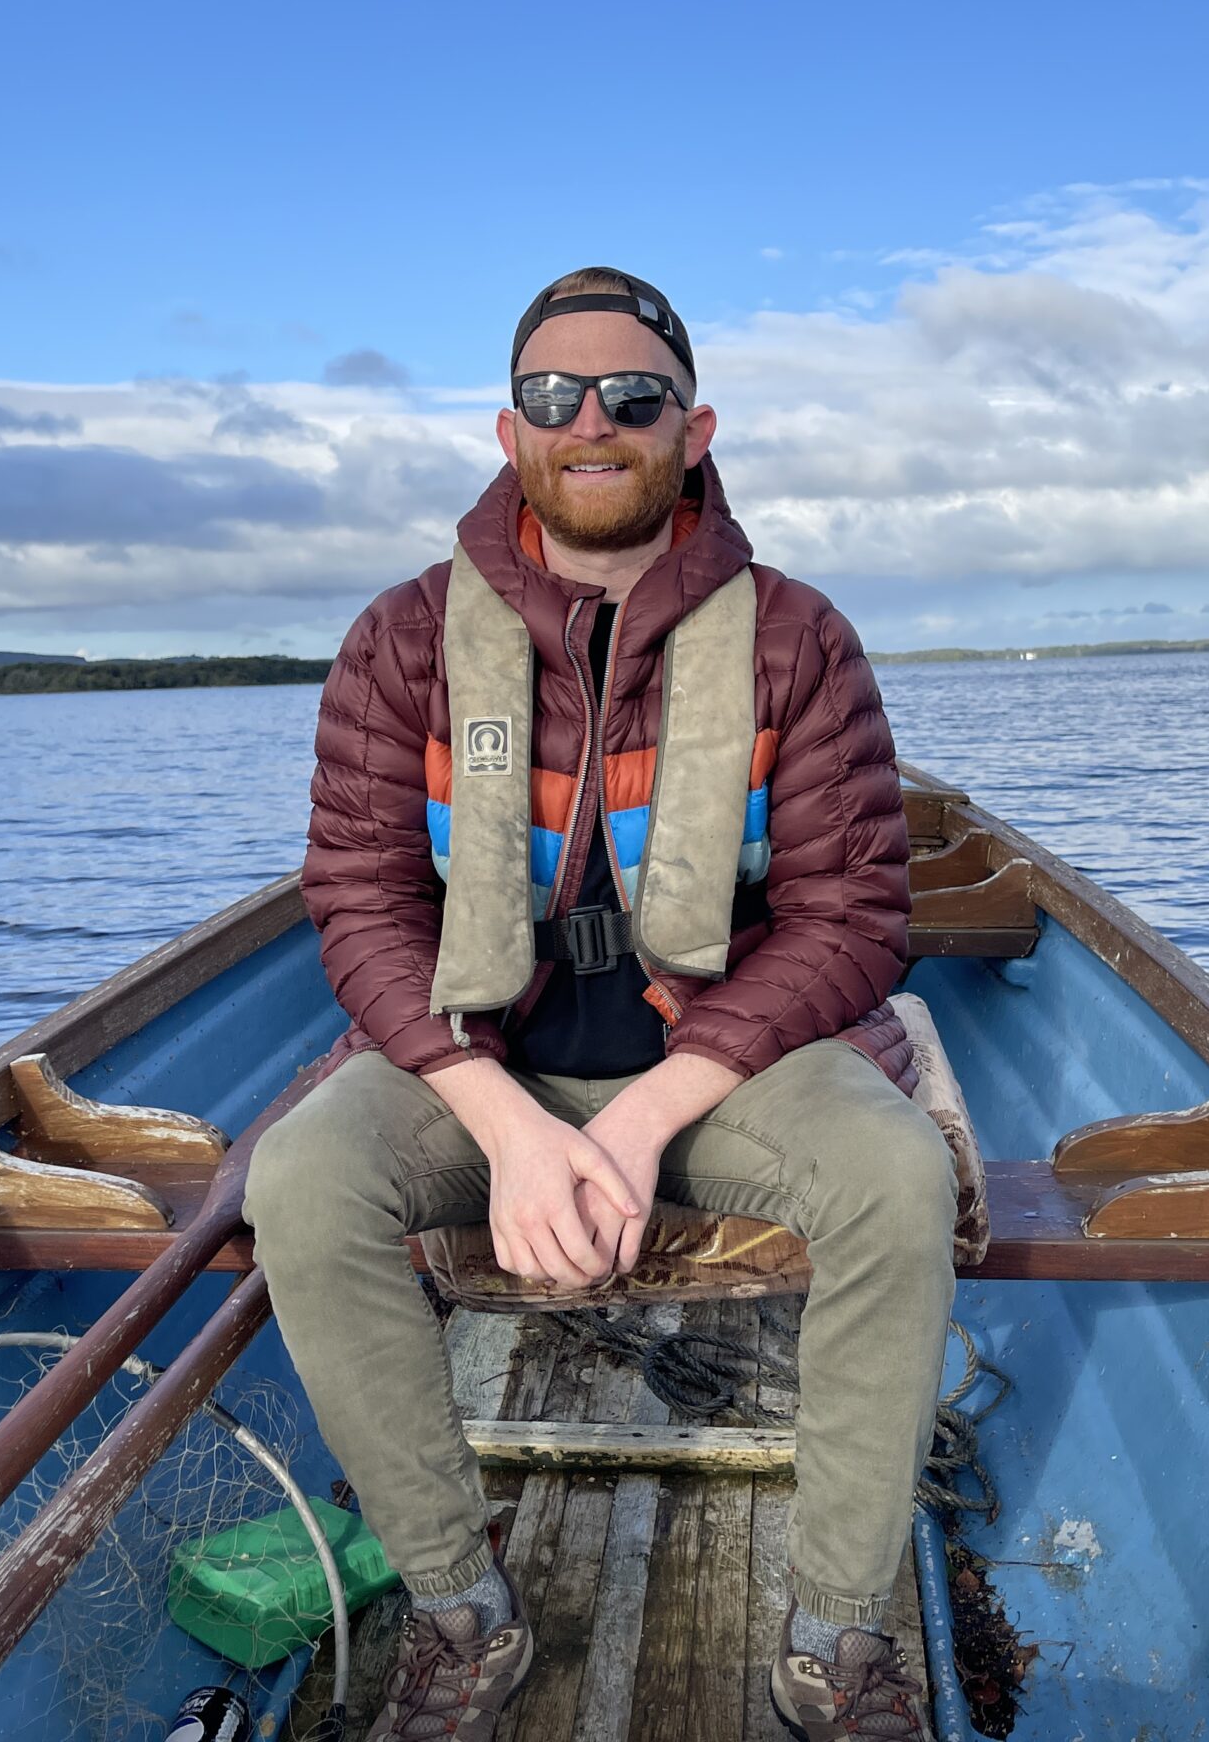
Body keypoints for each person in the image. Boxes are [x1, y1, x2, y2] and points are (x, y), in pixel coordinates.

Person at [245, 267, 956, 1742]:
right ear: (507, 431)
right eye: (554, 397)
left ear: (692, 429)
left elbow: (850, 919)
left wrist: (640, 1122)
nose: (591, 422)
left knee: (894, 1173)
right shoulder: (401, 639)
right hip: (480, 1056)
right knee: (304, 1180)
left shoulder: (796, 638)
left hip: (726, 1064)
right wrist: (500, 1121)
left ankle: (840, 1640)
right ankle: (457, 1605)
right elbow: (364, 906)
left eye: (630, 398)